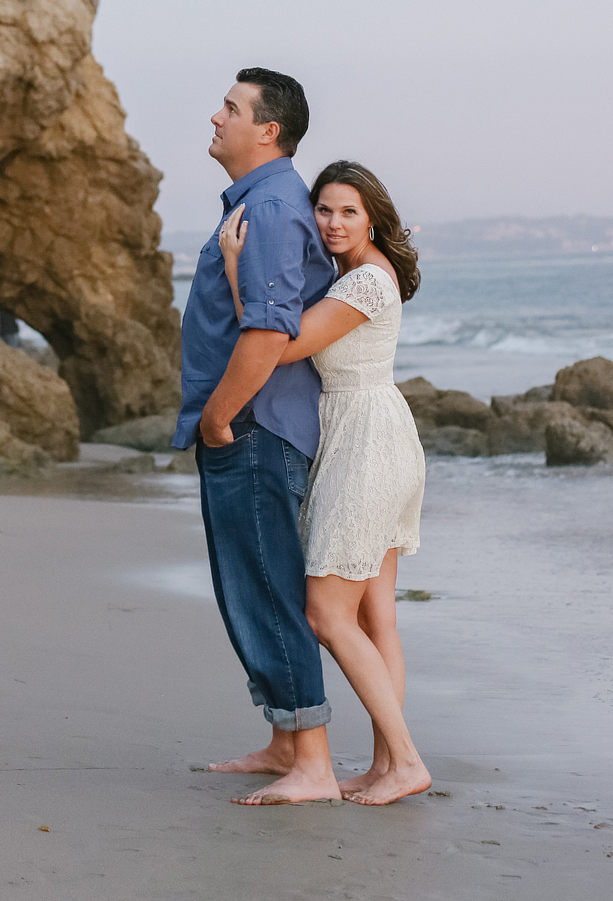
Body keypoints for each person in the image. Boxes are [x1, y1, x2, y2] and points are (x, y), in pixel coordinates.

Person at [218, 159, 431, 805]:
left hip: (366, 444)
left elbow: (279, 346)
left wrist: (236, 271)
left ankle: (409, 761)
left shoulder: (365, 281)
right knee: (376, 617)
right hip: (379, 434)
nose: (334, 222)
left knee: (326, 612)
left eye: (349, 211)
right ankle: (385, 763)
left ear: (373, 219)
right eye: (325, 209)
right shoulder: (357, 275)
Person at [175, 68, 341, 806]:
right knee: (247, 584)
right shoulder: (259, 202)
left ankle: (315, 761)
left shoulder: (271, 208)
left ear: (268, 129)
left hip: (255, 427)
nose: (216, 116)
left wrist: (218, 418)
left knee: (267, 588)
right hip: (251, 425)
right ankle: (285, 740)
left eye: (232, 107)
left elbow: (270, 330)